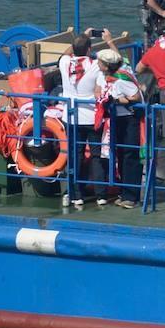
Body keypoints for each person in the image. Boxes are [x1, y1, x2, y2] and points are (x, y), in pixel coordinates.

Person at [94, 43, 143, 208]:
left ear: (107, 65)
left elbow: (136, 96)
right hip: (118, 119)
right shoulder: (107, 76)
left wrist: (120, 100)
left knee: (130, 156)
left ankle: (132, 196)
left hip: (129, 119)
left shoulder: (121, 78)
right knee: (121, 154)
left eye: (100, 62)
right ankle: (124, 191)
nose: (97, 64)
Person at [58, 33, 103, 208]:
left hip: (70, 117)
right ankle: (100, 195)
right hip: (91, 118)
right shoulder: (95, 66)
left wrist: (82, 35)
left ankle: (75, 194)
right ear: (90, 49)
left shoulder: (64, 63)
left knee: (74, 155)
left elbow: (64, 54)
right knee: (96, 155)